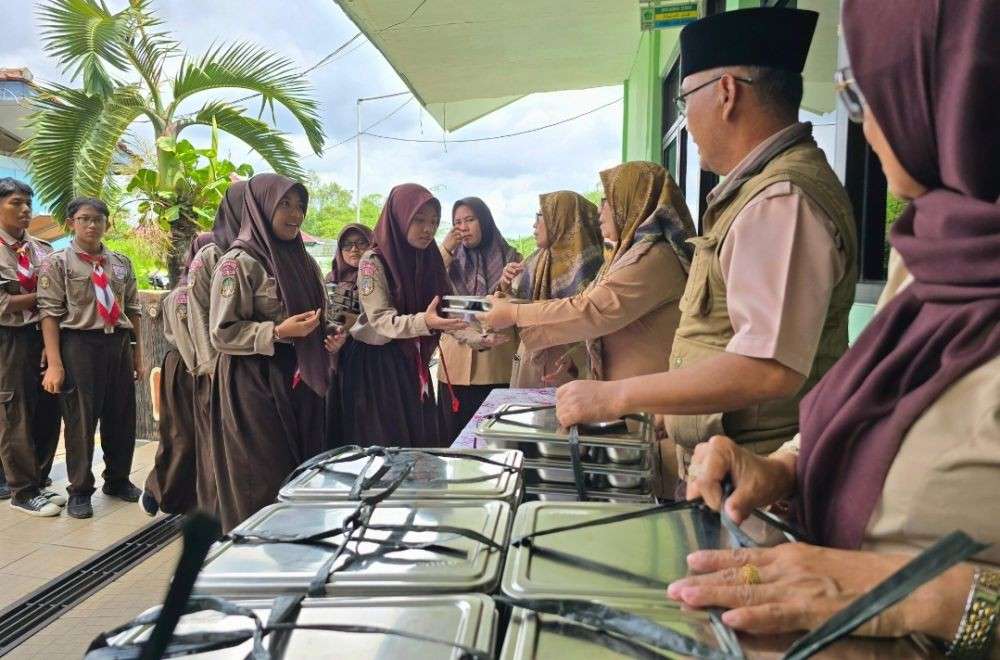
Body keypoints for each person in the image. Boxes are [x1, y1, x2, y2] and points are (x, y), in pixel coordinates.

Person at [670, 1, 1000, 653]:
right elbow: (880, 408)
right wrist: (785, 466)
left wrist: (915, 592)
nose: (869, 127)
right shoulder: (933, 251)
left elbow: (770, 365)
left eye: (865, 92)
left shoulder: (791, 197)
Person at [556, 8, 858, 484]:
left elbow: (768, 369)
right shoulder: (755, 194)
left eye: (684, 102)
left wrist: (616, 396)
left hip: (757, 478)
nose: (686, 123)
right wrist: (666, 413)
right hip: (722, 465)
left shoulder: (780, 199)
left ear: (726, 92)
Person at [208, 174, 340, 532]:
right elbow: (222, 332)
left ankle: (302, 553)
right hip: (255, 384)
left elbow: (312, 314)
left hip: (301, 381)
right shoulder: (238, 263)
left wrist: (329, 333)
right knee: (264, 478)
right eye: (284, 204)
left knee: (304, 471)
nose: (295, 214)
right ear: (261, 207)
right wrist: (278, 332)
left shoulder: (302, 260)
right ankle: (258, 561)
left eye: (300, 206)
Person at [480, 162, 693, 382]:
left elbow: (591, 310)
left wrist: (513, 313)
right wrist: (578, 361)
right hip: (622, 393)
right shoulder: (624, 257)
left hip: (645, 399)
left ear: (634, 200)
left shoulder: (654, 258)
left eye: (606, 201)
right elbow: (587, 305)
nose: (599, 211)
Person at [341, 183, 471, 448]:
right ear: (399, 218)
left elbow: (442, 309)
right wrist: (424, 322)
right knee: (388, 444)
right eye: (419, 220)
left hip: (411, 359)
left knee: (420, 438)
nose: (428, 229)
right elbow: (381, 320)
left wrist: (475, 336)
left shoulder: (428, 258)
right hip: (378, 366)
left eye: (434, 221)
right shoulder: (373, 261)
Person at [38, 197, 144, 519]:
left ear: (107, 224)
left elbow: (134, 310)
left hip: (118, 345)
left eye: (98, 219)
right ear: (72, 222)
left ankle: (118, 479)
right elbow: (50, 314)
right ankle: (80, 490)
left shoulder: (121, 262)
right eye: (84, 219)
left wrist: (137, 356)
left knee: (121, 416)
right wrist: (55, 363)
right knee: (81, 421)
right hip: (79, 346)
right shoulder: (58, 263)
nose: (91, 225)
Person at [0, 178, 62, 516]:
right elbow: (2, 304)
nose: (25, 210)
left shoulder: (43, 250)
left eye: (28, 203)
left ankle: (38, 480)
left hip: (45, 335)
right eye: (15, 203)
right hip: (9, 339)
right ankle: (21, 491)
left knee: (48, 407)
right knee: (14, 413)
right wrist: (44, 297)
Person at [437, 197, 521, 441]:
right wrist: (445, 249)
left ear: (484, 221)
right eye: (457, 222)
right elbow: (427, 283)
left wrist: (506, 284)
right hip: (455, 365)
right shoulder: (449, 260)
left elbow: (518, 303)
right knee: (454, 439)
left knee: (493, 440)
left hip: (496, 364)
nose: (463, 227)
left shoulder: (511, 256)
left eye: (470, 220)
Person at [187, 182, 246, 515]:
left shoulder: (263, 252)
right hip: (218, 366)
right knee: (216, 447)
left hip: (250, 367)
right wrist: (209, 368)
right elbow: (198, 312)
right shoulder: (212, 255)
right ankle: (213, 516)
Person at [505, 190, 603, 388]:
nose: (534, 224)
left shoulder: (594, 266)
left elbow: (594, 324)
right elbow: (510, 305)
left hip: (569, 367)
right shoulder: (534, 261)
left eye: (540, 216)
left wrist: (574, 360)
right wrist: (505, 282)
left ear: (562, 218)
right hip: (530, 363)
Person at [138, 247, 202, 517]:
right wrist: (204, 369)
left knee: (203, 439)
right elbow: (188, 344)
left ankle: (191, 499)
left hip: (207, 371)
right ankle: (156, 490)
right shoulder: (182, 296)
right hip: (187, 371)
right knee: (181, 436)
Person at [323, 222, 373, 448]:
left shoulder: (377, 278)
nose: (354, 250)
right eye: (347, 245)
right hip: (335, 362)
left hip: (369, 363)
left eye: (361, 243)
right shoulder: (329, 279)